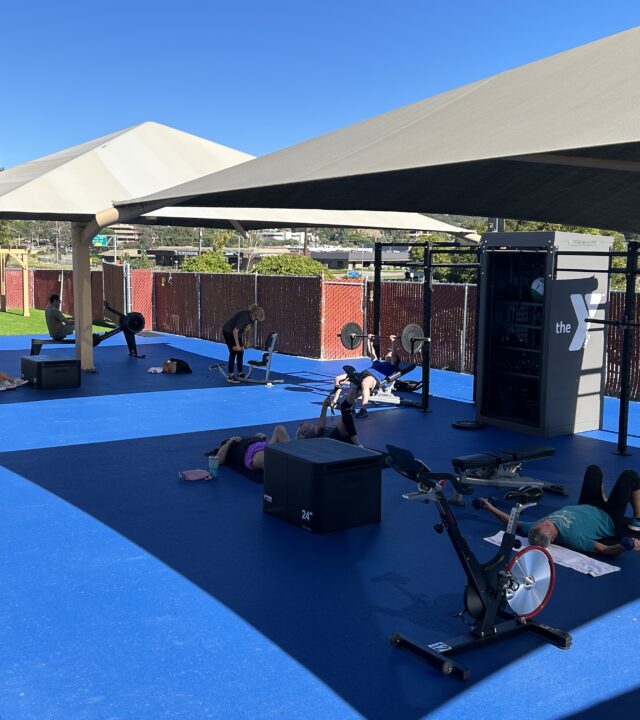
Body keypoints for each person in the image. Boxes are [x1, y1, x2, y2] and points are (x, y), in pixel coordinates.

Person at [478, 465, 640, 556]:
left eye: (543, 523)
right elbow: (604, 550)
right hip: (608, 516)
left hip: (586, 504)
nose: (546, 520)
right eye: (547, 525)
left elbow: (514, 523)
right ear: (552, 536)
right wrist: (625, 546)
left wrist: (490, 508)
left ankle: (602, 497)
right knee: (630, 476)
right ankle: (638, 519)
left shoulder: (534, 528)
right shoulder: (573, 538)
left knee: (593, 470)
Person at [331, 334, 400, 417]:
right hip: (362, 374)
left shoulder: (392, 366)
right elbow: (371, 353)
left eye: (390, 352)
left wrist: (393, 342)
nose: (388, 354)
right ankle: (335, 402)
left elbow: (393, 356)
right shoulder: (378, 363)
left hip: (374, 378)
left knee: (364, 383)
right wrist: (369, 340)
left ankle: (364, 409)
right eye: (388, 352)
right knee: (338, 379)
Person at [296, 388, 363, 446]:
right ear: (304, 431)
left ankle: (354, 388)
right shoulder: (311, 435)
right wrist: (324, 407)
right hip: (332, 439)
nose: (305, 422)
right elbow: (321, 426)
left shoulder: (314, 433)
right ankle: (358, 444)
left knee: (345, 411)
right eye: (302, 425)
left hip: (336, 437)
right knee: (345, 413)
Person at [213, 424, 290, 472]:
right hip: (252, 455)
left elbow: (269, 444)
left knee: (279, 428)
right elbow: (218, 461)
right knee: (263, 456)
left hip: (267, 446)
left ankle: (293, 459)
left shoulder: (247, 439)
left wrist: (266, 439)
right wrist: (229, 442)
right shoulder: (228, 445)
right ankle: (284, 470)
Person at [222, 304, 265, 383]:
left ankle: (240, 373)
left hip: (237, 333)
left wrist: (248, 340)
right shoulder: (244, 317)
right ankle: (231, 375)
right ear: (254, 315)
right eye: (256, 319)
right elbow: (235, 331)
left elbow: (249, 329)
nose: (256, 321)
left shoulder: (252, 319)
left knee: (240, 353)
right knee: (233, 352)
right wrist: (238, 345)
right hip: (228, 331)